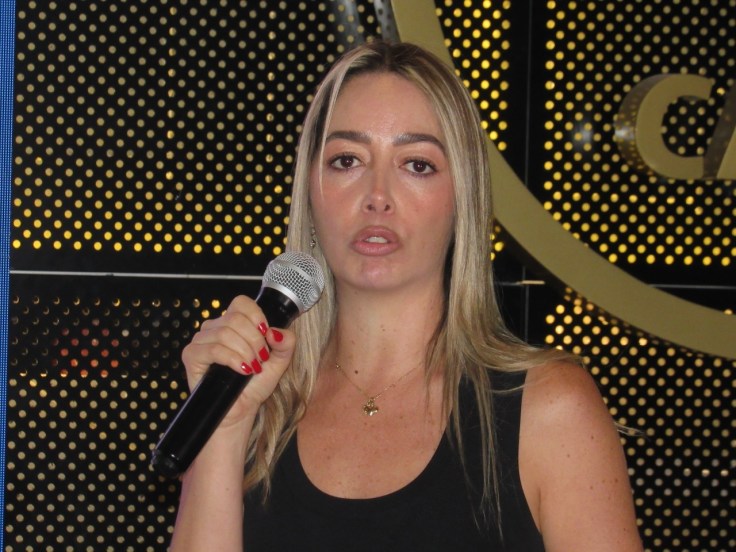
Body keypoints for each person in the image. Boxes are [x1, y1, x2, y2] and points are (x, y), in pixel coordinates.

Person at [169, 40, 643, 551]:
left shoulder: (548, 408)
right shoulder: (254, 403)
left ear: (462, 198)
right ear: (311, 190)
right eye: (347, 160)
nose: (377, 196)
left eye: (416, 164)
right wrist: (224, 428)